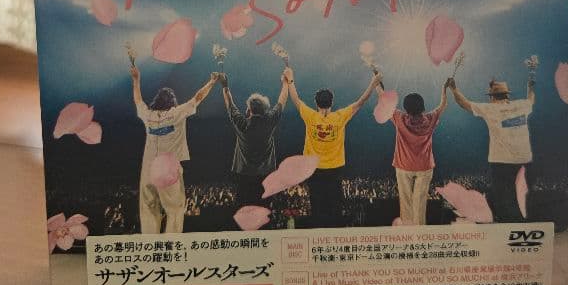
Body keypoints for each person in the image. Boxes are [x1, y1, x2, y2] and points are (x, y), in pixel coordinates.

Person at [283, 65, 381, 228]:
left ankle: (318, 232)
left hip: (313, 169)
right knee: (334, 206)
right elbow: (361, 102)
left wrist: (290, 79)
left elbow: (295, 99)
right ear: (332, 102)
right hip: (335, 168)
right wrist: (373, 83)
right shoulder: (339, 117)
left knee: (317, 205)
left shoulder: (310, 116)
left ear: (316, 103)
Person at [130, 64, 218, 234]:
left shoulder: (148, 115)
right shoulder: (176, 113)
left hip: (147, 169)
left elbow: (138, 100)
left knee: (148, 209)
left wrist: (136, 79)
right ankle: (172, 241)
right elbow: (198, 97)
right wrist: (212, 82)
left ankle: (150, 243)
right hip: (166, 169)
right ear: (172, 102)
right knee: (175, 209)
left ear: (156, 101)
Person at [448, 74, 536, 222]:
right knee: (523, 194)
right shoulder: (522, 105)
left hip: (502, 161)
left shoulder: (490, 109)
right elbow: (531, 99)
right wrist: (530, 87)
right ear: (507, 95)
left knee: (503, 195)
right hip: (524, 160)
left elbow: (464, 103)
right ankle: (524, 221)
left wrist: (454, 89)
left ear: (492, 97)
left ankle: (507, 223)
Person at [220, 72, 289, 220]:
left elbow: (229, 104)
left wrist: (225, 86)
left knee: (244, 214)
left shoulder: (242, 124)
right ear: (265, 110)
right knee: (264, 213)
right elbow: (282, 100)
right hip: (265, 177)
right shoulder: (269, 121)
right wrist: (285, 82)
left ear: (249, 110)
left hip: (244, 177)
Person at [383, 80, 451, 224]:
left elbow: (383, 100)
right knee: (420, 204)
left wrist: (378, 82)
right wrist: (444, 88)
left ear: (406, 108)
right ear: (422, 107)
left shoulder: (400, 118)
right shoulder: (430, 119)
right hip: (424, 167)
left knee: (406, 202)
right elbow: (443, 105)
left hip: (403, 166)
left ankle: (407, 231)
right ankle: (419, 231)